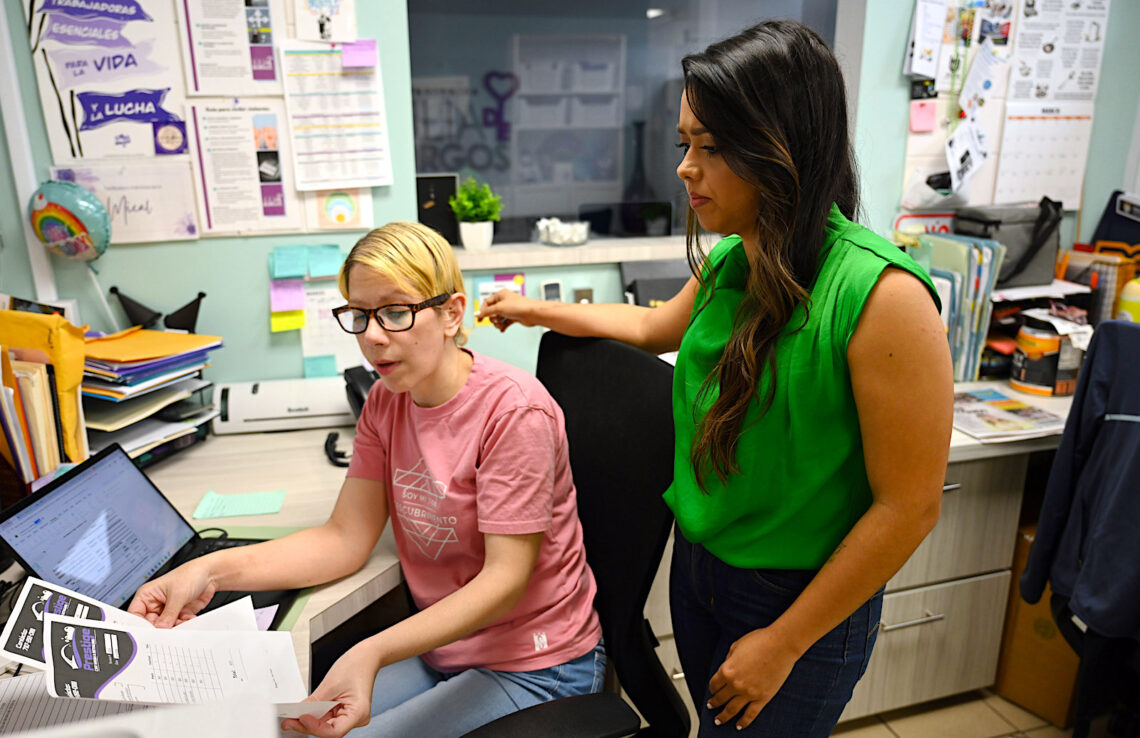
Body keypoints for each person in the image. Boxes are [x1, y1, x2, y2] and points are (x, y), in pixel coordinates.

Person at [476, 20, 953, 737]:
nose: (685, 168)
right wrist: (532, 309)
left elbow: (908, 508)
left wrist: (785, 642)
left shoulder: (883, 297)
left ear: (782, 146)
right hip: (702, 570)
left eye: (711, 145)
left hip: (798, 599)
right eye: (684, 143)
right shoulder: (739, 257)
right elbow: (650, 328)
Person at [129, 222, 605, 738]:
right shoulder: (386, 399)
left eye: (396, 312)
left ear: (451, 313)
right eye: (359, 315)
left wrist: (371, 651)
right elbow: (344, 539)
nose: (372, 336)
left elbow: (504, 582)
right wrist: (209, 571)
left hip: (538, 666)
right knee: (292, 728)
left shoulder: (513, 412)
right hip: (447, 651)